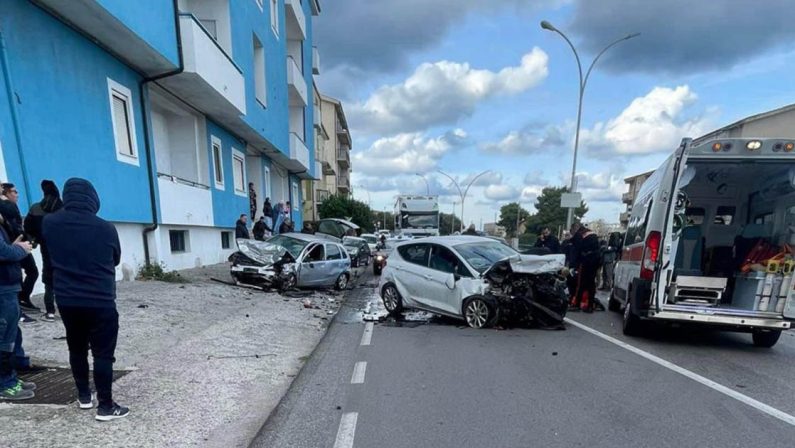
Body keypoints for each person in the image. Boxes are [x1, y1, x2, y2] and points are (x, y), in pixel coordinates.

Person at [42, 178, 129, 420]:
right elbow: (116, 258)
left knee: (77, 348)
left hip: (68, 299)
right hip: (100, 300)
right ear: (92, 198)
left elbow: (48, 258)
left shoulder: (50, 223)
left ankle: (83, 396)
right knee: (103, 354)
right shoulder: (105, 228)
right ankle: (106, 406)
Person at [0, 220, 34, 400]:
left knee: (9, 338)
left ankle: (10, 378)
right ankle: (5, 384)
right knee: (4, 339)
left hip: (8, 287)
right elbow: (2, 251)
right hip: (2, 289)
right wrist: (21, 250)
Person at [24, 180, 63, 322]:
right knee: (64, 276)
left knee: (48, 278)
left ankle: (50, 311)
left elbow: (28, 227)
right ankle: (66, 308)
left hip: (45, 247)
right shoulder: (62, 208)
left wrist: (35, 240)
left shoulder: (35, 208)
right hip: (62, 248)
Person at [0, 183, 39, 319]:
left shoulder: (8, 207)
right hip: (13, 247)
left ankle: (22, 300)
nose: (17, 194)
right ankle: (20, 304)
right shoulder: (6, 206)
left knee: (31, 272)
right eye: (14, 192)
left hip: (18, 245)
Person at [569, 223, 602, 313]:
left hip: (586, 260)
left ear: (574, 229)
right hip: (595, 260)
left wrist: (574, 266)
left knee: (581, 283)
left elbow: (577, 250)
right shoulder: (592, 234)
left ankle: (577, 304)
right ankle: (590, 306)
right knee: (591, 283)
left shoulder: (579, 235)